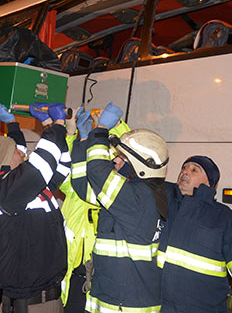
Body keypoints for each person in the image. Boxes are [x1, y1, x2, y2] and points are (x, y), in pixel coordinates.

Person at [71, 103, 169, 313]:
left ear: (139, 166)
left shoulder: (136, 198)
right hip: (115, 300)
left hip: (125, 305)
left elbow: (97, 170)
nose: (116, 159)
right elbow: (85, 189)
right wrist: (84, 141)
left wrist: (100, 132)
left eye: (123, 157)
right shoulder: (134, 194)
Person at [0, 103, 68, 313]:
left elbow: (61, 167)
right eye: (16, 151)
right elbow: (41, 165)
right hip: (32, 302)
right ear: (4, 160)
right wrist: (57, 125)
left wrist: (49, 124)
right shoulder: (4, 190)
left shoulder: (24, 188)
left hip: (45, 297)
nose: (23, 154)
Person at [158, 156, 232, 312]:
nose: (185, 172)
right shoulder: (161, 200)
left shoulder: (228, 222)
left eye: (194, 169)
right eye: (184, 167)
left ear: (209, 182)